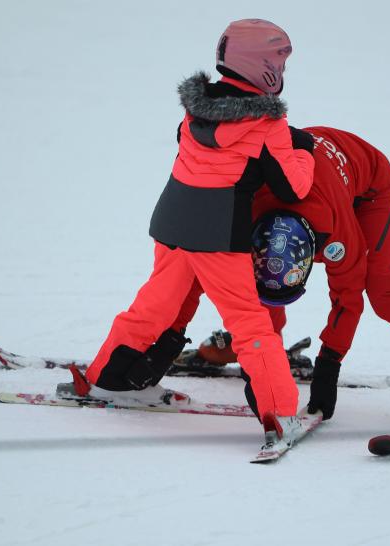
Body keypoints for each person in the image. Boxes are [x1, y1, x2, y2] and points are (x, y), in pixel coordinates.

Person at [73, 19, 316, 441]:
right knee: (251, 325)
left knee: (152, 309)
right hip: (219, 237)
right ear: (264, 67)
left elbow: (209, 150)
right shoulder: (269, 124)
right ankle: (280, 413)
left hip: (171, 223)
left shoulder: (196, 107)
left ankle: (106, 379)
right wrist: (304, 150)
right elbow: (293, 186)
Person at [176, 126, 390, 426]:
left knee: (383, 287)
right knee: (252, 271)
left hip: (369, 191)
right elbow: (210, 269)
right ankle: (264, 343)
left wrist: (328, 364)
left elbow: (348, 298)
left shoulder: (337, 238)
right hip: (310, 178)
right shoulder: (244, 209)